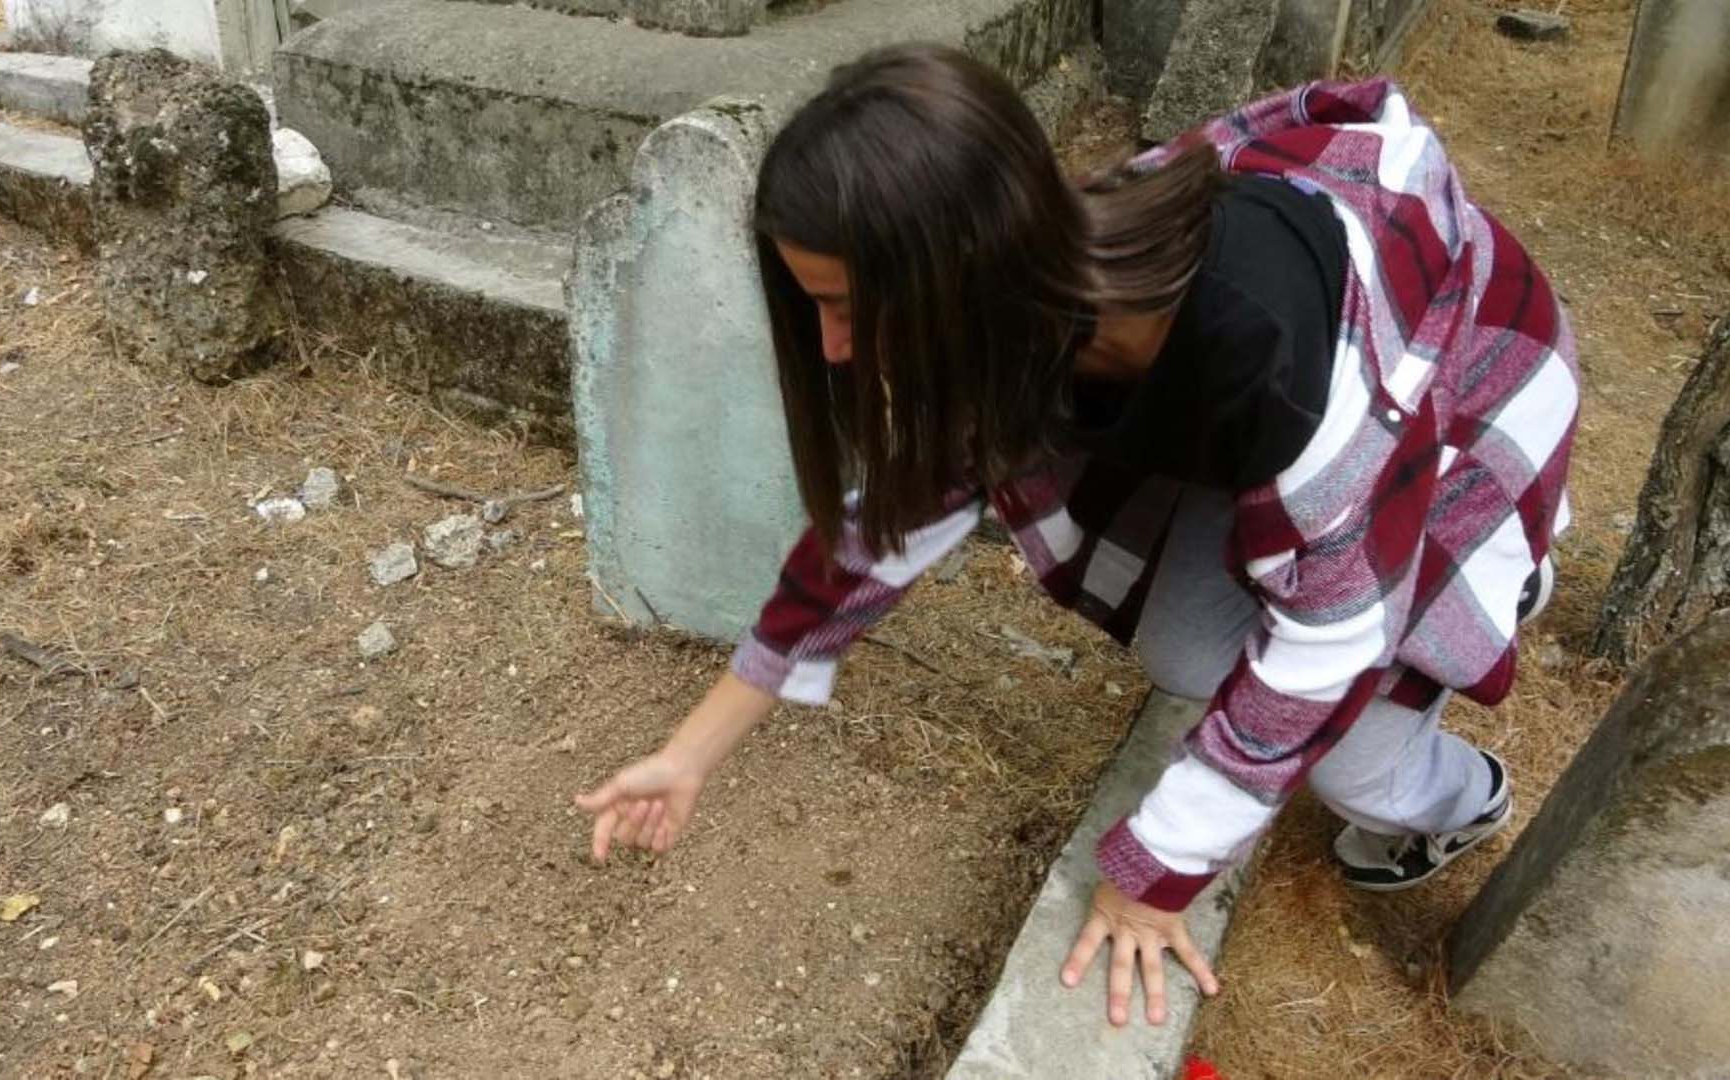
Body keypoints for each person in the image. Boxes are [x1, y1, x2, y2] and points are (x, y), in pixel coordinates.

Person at [576, 45, 1578, 1030]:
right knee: (1192, 651)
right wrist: (690, 755)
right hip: (1292, 449)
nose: (833, 348)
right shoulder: (1022, 286)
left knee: (1352, 765)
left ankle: (1463, 794)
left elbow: (1329, 649)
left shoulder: (1293, 385)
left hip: (1460, 423)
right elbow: (876, 538)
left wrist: (1154, 875)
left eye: (842, 307)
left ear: (954, 272)